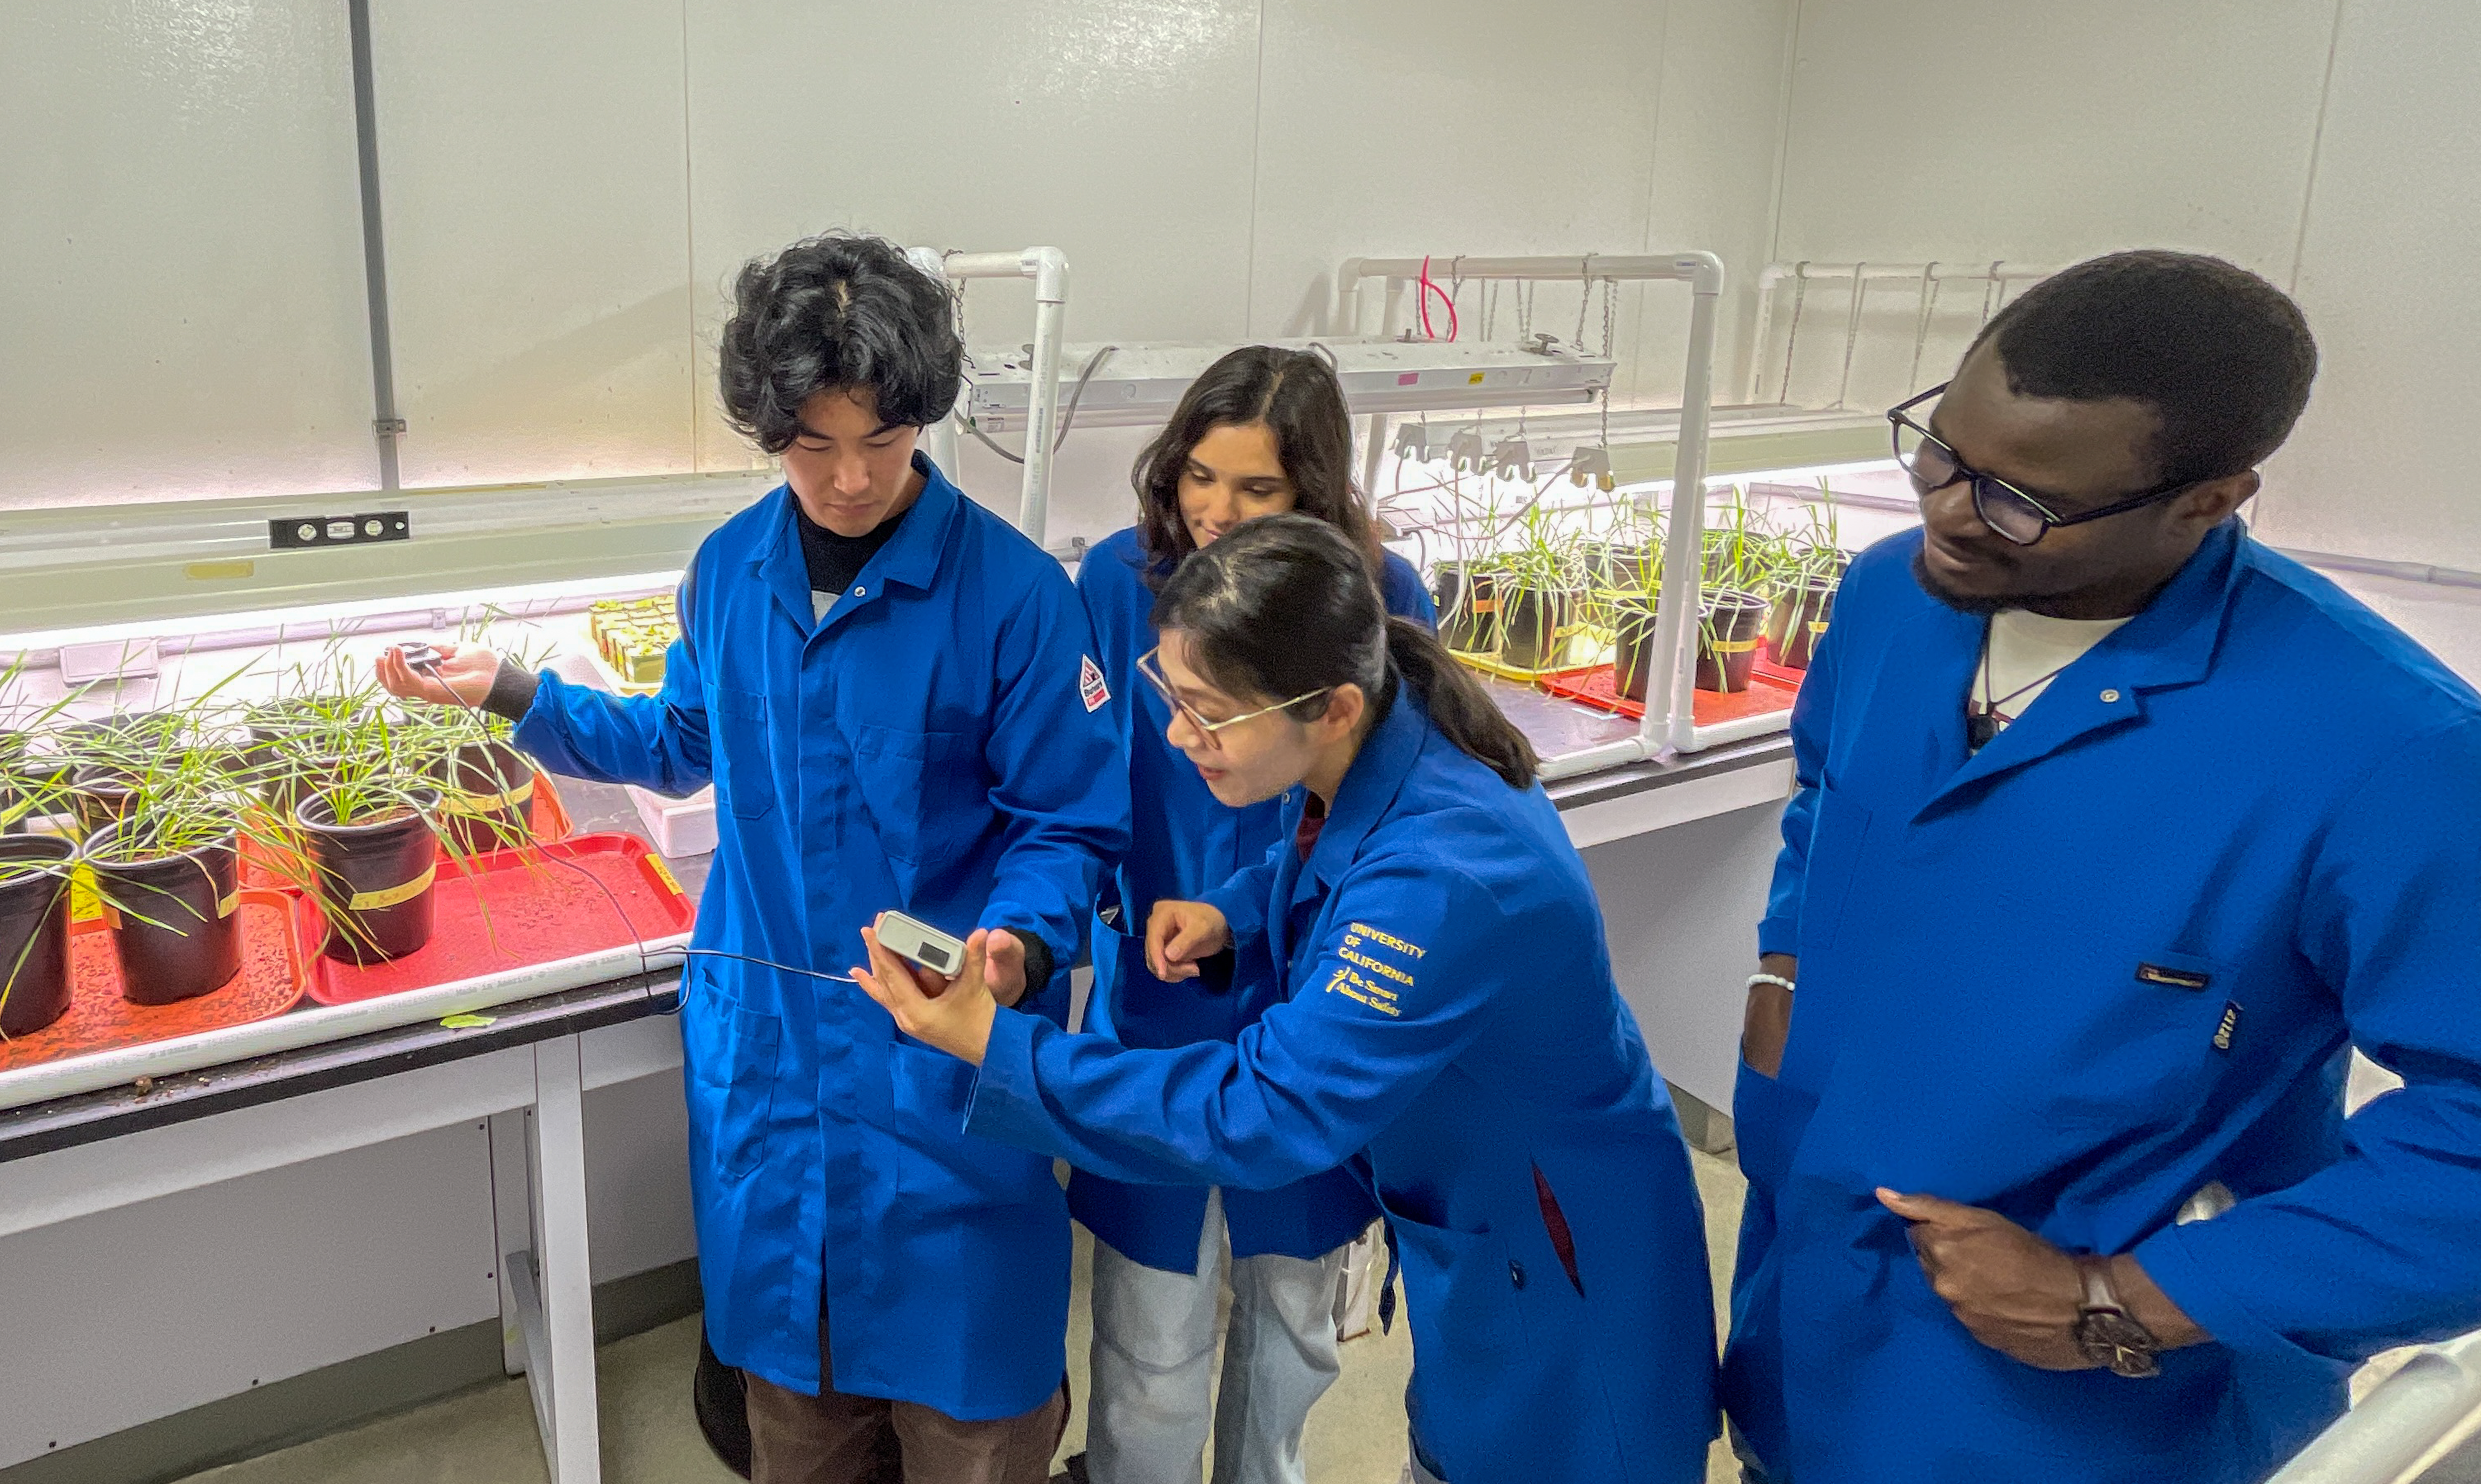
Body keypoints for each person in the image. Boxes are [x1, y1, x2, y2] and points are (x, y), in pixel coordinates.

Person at [379, 232, 1126, 1484]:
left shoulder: (1013, 598)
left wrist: (1016, 943)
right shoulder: (728, 571)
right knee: (797, 1416)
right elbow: (682, 741)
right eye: (813, 444)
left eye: (879, 445)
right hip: (774, 1067)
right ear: (767, 427)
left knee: (971, 1424)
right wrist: (512, 690)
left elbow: (1068, 823)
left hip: (939, 1073)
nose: (845, 480)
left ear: (922, 422)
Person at [1725, 250, 2481, 1483]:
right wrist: (1782, 977)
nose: (1950, 513)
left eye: (2021, 502)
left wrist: (2130, 1298)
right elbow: (1826, 800)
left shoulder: (2384, 749)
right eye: (1941, 453)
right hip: (1812, 1320)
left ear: (2207, 500)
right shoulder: (1889, 602)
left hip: (2076, 1416)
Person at [853, 515, 1719, 1484]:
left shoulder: (1444, 878)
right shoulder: (1378, 743)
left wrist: (994, 1044)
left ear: (1331, 706)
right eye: (1170, 696)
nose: (1180, 737)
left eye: (1208, 712)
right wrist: (1234, 916)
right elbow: (1315, 851)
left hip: (1565, 1267)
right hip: (1490, 1230)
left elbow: (1259, 1110)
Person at [1067, 345, 1437, 1484]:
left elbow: (1394, 811)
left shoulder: (1383, 601)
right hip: (1164, 998)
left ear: (1314, 493)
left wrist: (1242, 911)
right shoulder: (1118, 584)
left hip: (1319, 1004)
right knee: (1152, 1337)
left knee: (1288, 1329)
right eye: (1197, 477)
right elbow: (1081, 784)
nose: (1215, 513)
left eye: (1257, 489)